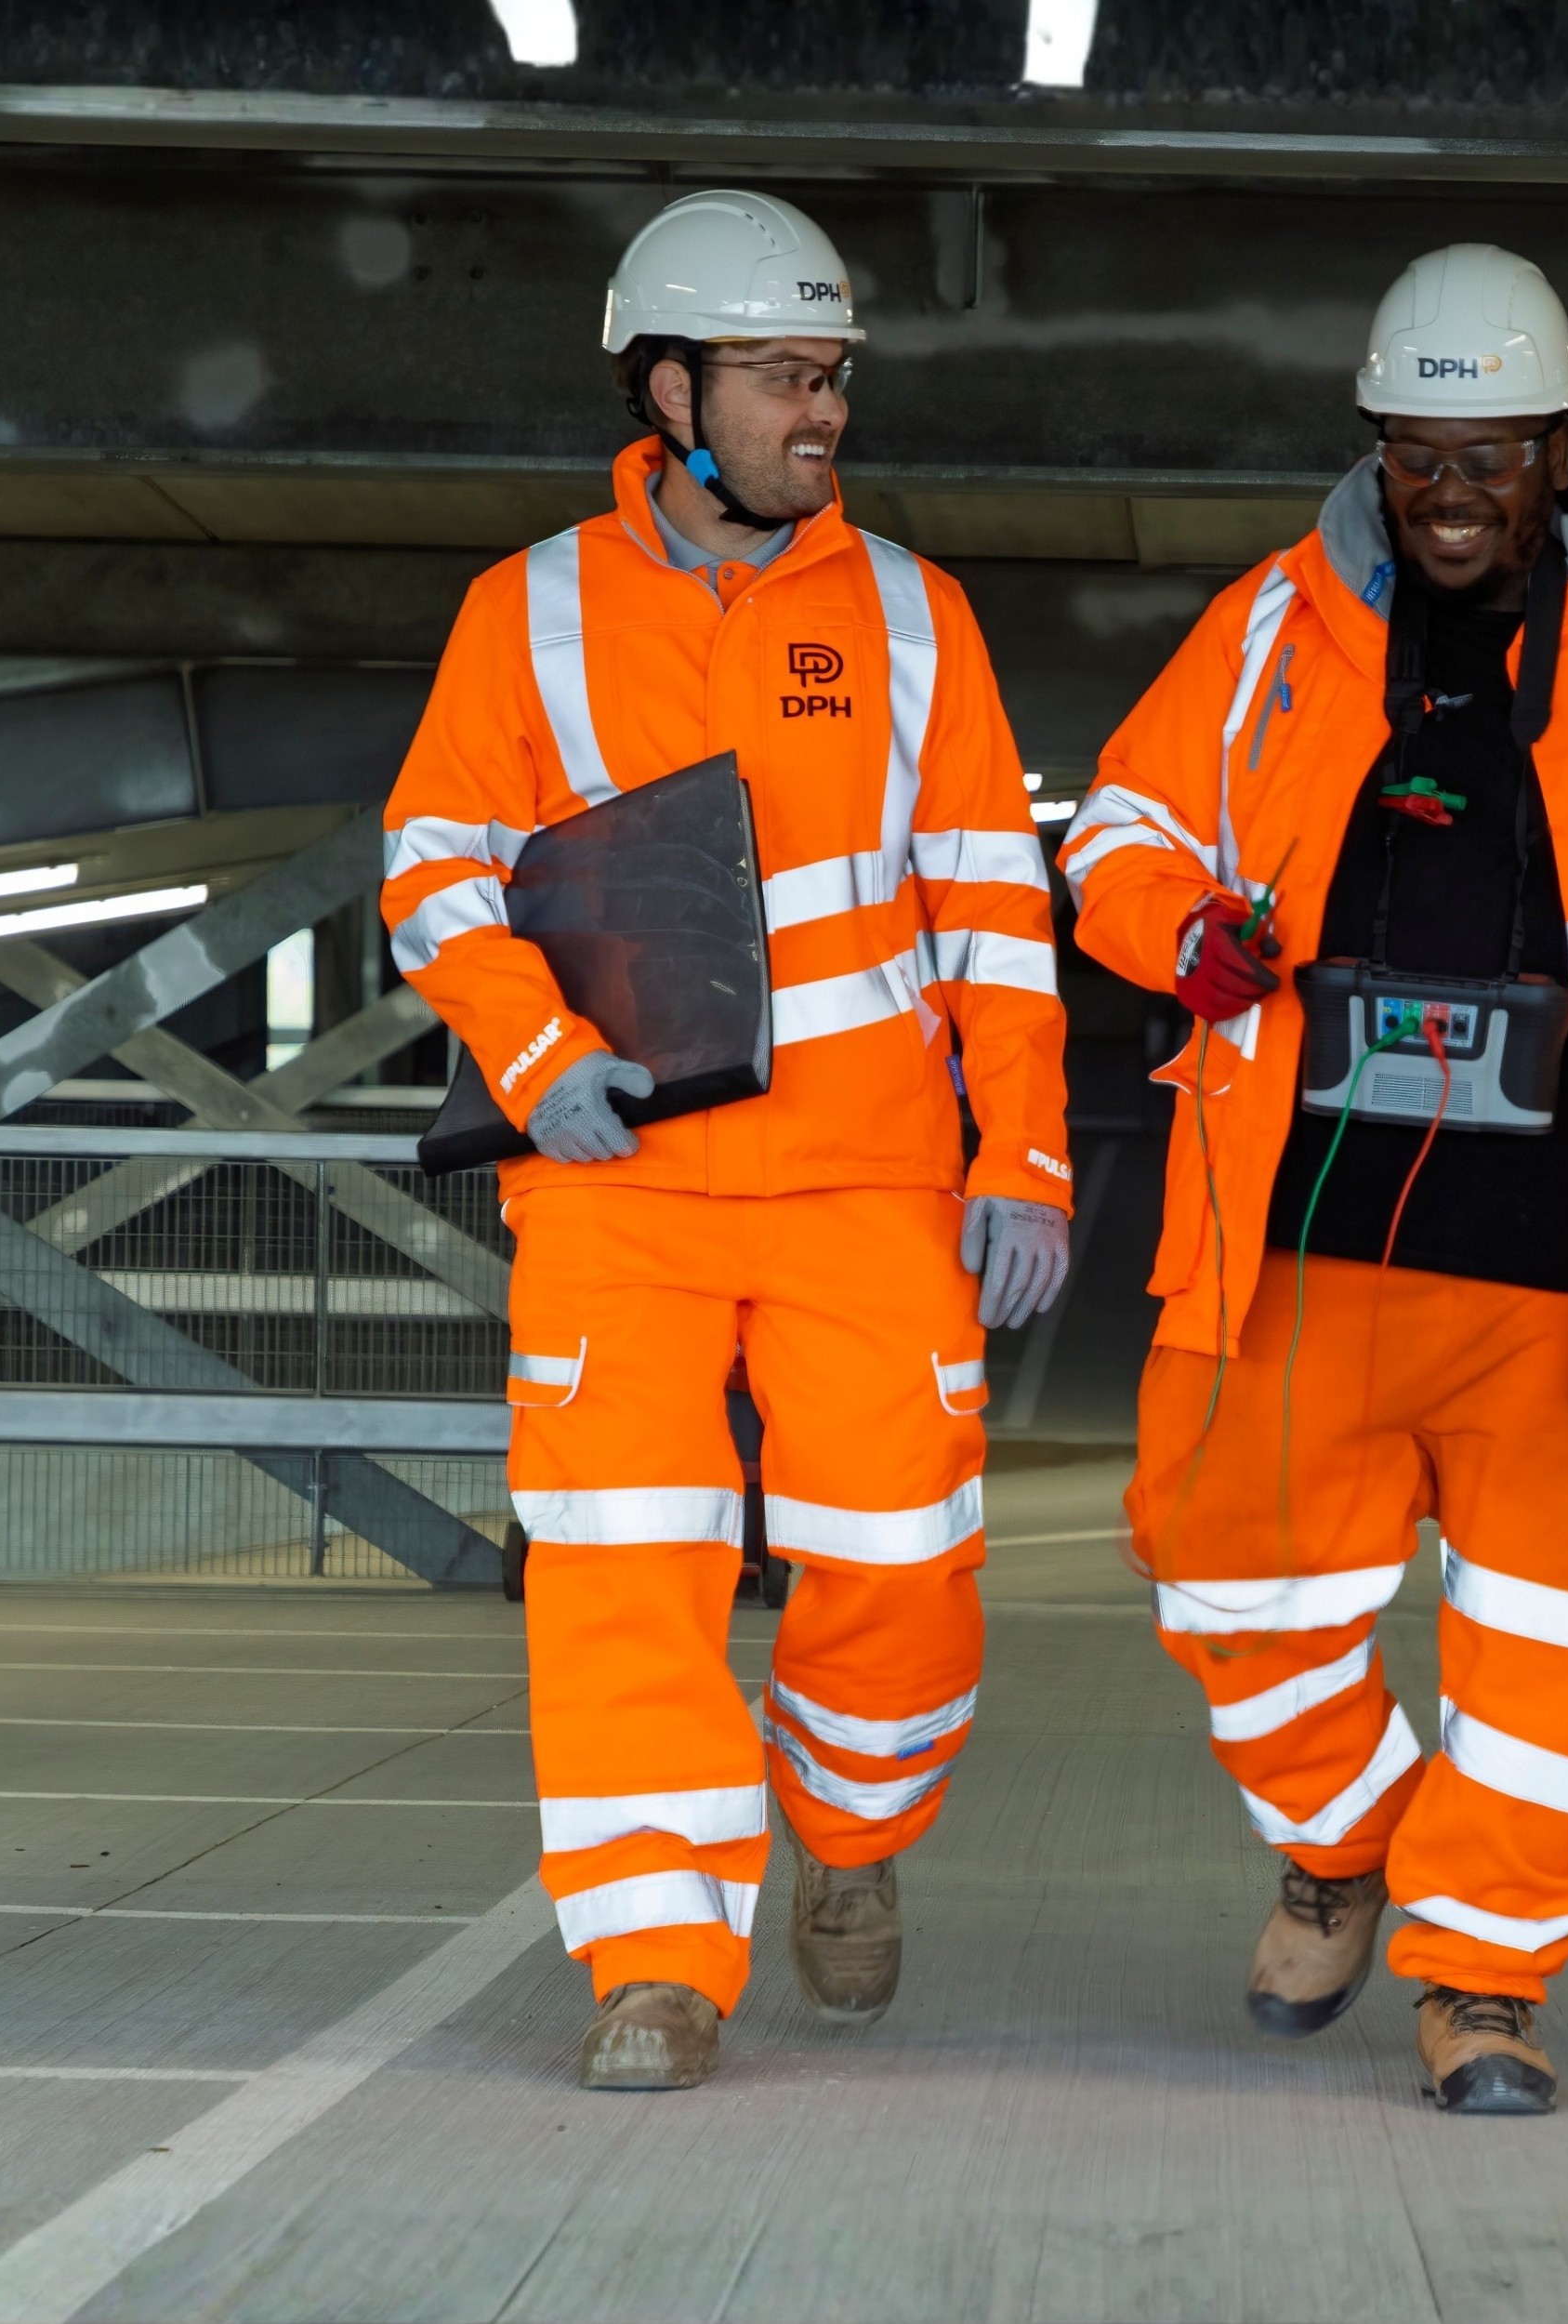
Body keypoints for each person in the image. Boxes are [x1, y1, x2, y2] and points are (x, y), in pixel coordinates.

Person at [1062, 244, 1568, 2115]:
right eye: (1418, 451)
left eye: (1493, 453)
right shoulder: (1269, 629)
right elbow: (1114, 820)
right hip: (1297, 1239)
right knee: (1215, 1569)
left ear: (1563, 451)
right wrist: (1168, 923)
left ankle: (1483, 1978)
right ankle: (1355, 1829)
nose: (1451, 491)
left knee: (1560, 1643)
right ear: (1374, 448)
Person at [381, 188, 1074, 2091]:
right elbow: (431, 866)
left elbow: (996, 916)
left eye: (832, 374)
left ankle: (847, 1834)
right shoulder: (520, 611)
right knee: (621, 1569)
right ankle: (655, 1957)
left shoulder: (918, 617)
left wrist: (1024, 1154)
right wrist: (535, 1058)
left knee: (906, 1561)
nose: (820, 411)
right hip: (620, 1189)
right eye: (783, 377)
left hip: (867, 1183)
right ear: (671, 389)